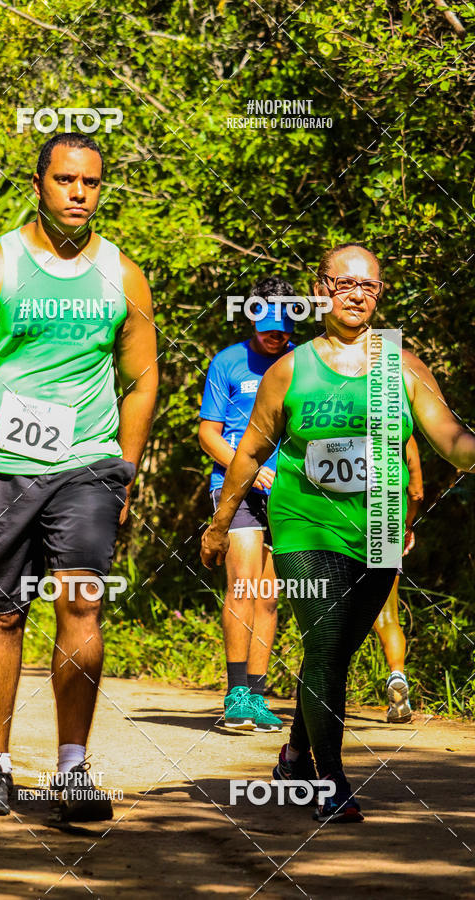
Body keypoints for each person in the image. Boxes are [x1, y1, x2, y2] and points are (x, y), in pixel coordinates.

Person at [0, 133, 158, 821]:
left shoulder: (123, 274)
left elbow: (142, 378)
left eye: (90, 182)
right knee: (0, 611)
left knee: (82, 599)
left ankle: (73, 769)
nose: (78, 193)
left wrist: (126, 465)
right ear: (38, 185)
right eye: (65, 180)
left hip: (86, 461)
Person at [201, 243, 475, 823]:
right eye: (344, 283)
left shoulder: (399, 364)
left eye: (368, 286)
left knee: (341, 649)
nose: (356, 294)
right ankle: (330, 780)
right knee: (325, 642)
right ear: (321, 289)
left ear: (379, 295)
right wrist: (221, 522)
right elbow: (248, 452)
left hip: (377, 522)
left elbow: (450, 439)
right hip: (305, 520)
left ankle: (296, 754)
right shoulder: (290, 369)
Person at [199, 279, 296, 732]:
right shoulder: (228, 361)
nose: (274, 335)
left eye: (282, 326)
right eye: (266, 326)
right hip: (236, 487)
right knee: (243, 581)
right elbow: (208, 433)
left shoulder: (303, 362)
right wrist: (250, 469)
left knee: (269, 595)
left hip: (290, 491)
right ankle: (236, 693)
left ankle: (257, 695)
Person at [373, 435, 423, 724]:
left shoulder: (337, 416)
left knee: (336, 614)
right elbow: (415, 491)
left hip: (338, 523)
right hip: (385, 521)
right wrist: (407, 525)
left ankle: (326, 696)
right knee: (387, 616)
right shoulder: (399, 427)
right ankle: (397, 674)